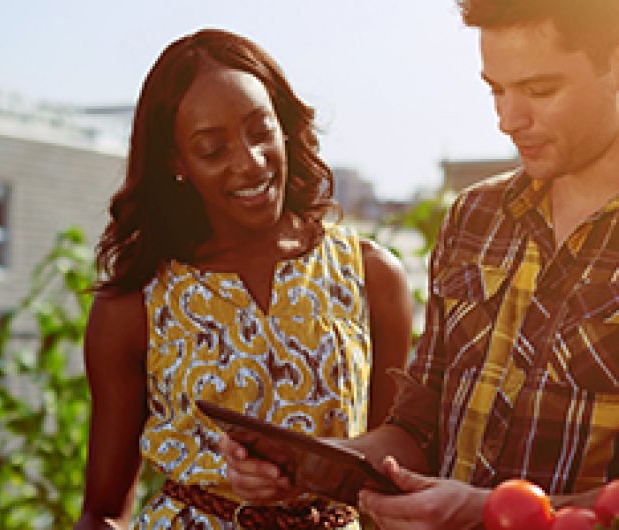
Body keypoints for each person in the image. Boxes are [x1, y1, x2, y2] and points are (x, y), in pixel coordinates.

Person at [221, 1, 619, 528]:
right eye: (496, 88)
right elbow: (417, 431)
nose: (508, 120)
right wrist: (318, 462)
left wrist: (483, 511)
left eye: (540, 91)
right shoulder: (474, 218)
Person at [72, 28, 413, 530]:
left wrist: (314, 468)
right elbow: (102, 512)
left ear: (284, 124)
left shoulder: (372, 275)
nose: (249, 162)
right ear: (176, 162)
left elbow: (396, 466)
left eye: (260, 131)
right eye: (212, 149)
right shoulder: (133, 305)